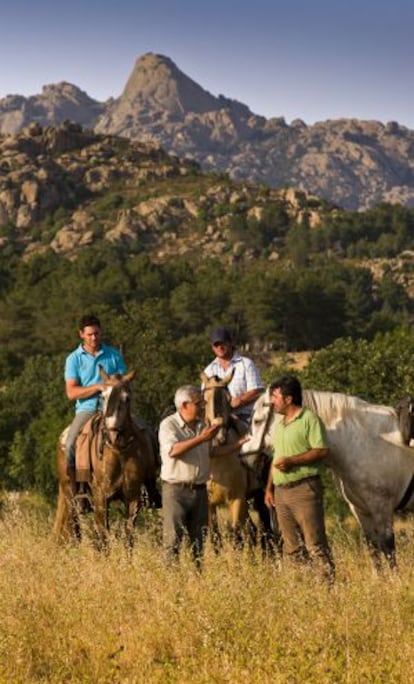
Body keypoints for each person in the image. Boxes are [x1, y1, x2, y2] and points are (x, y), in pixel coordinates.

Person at [64, 314, 160, 506]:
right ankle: (80, 489)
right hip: (89, 408)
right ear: (81, 334)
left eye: (97, 333)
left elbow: (123, 381)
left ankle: (150, 486)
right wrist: (98, 388)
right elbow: (71, 392)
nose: (94, 338)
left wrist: (117, 389)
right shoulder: (74, 359)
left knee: (147, 432)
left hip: (117, 407)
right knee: (72, 442)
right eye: (90, 334)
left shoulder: (114, 355)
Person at [159, 385, 245, 564]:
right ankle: (170, 582)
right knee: (173, 539)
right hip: (176, 491)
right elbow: (173, 451)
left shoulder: (201, 426)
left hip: (199, 491)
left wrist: (238, 445)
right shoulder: (169, 425)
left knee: (198, 542)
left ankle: (196, 580)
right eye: (199, 403)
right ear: (184, 405)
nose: (204, 406)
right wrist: (202, 438)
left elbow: (211, 452)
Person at [264, 375, 335, 582]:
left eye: (275, 396)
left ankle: (327, 589)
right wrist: (269, 489)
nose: (272, 401)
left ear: (288, 399)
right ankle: (303, 589)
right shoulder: (280, 424)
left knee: (315, 544)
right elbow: (276, 458)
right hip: (281, 492)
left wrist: (293, 461)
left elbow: (321, 450)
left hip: (304, 489)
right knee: (291, 547)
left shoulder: (309, 419)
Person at [203, 327, 263, 430]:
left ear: (231, 343)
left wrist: (240, 401)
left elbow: (256, 391)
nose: (220, 347)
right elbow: (204, 397)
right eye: (216, 345)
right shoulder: (209, 370)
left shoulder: (246, 364)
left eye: (223, 343)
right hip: (216, 419)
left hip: (244, 415)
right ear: (212, 348)